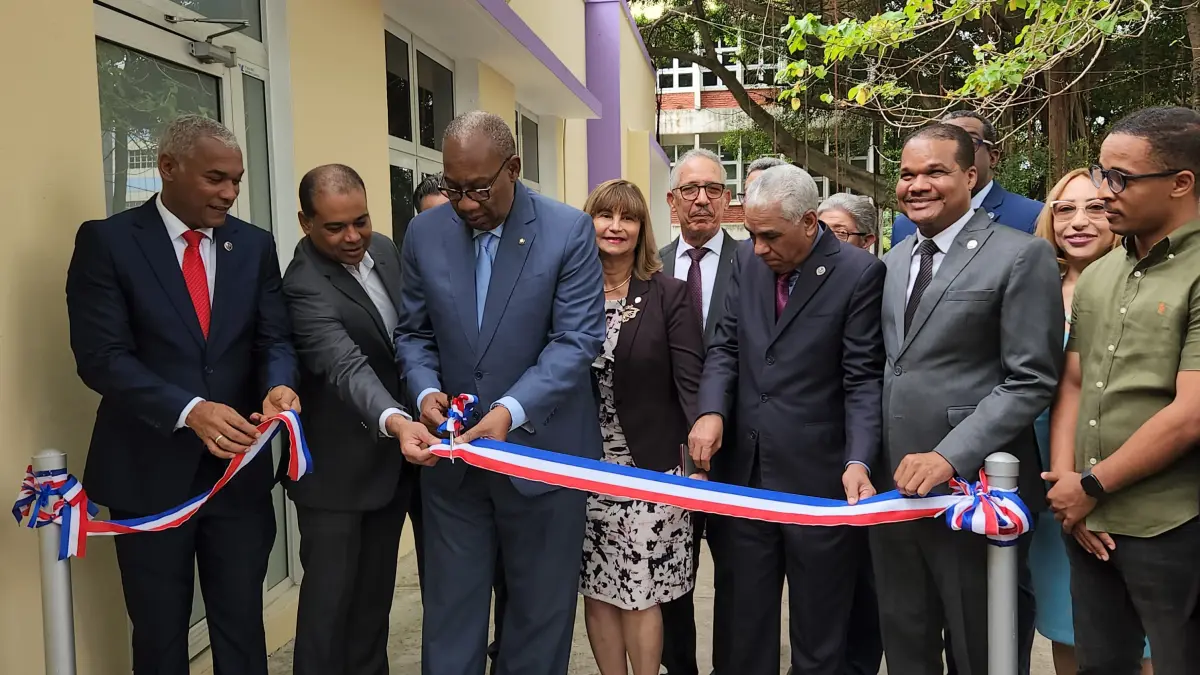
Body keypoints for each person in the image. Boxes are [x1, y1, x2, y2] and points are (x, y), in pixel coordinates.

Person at [65, 114, 299, 675]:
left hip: (236, 474)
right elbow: (101, 358)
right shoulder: (109, 242)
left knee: (242, 623)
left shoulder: (254, 245)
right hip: (148, 475)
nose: (230, 193)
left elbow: (275, 338)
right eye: (215, 178)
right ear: (167, 168)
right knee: (160, 632)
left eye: (237, 180)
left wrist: (279, 384)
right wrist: (190, 410)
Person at [393, 111, 605, 675]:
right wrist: (425, 391)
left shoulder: (567, 231)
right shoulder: (424, 233)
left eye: (479, 189)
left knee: (538, 622)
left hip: (544, 459)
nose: (464, 203)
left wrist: (511, 410)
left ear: (514, 168)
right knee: (450, 618)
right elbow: (413, 333)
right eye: (452, 188)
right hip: (454, 466)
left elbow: (576, 340)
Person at [875, 123, 1061, 675]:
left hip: (973, 489)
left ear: (971, 175)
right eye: (908, 174)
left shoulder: (1022, 255)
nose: (918, 185)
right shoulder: (893, 261)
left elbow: (1030, 379)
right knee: (905, 639)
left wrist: (948, 456)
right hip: (896, 488)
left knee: (981, 647)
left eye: (936, 171)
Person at [689, 164, 885, 675]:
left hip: (819, 484)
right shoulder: (747, 264)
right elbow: (725, 348)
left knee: (820, 634)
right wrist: (711, 410)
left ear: (809, 221)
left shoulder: (858, 273)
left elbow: (862, 378)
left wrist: (859, 459)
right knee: (740, 627)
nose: (758, 248)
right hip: (745, 477)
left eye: (771, 236)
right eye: (751, 234)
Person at [1047, 106, 1200, 675]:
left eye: (1120, 178)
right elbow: (1074, 383)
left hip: (1173, 520)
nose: (1102, 190)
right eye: (1100, 172)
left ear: (1181, 183)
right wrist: (1067, 488)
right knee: (1101, 663)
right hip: (1087, 519)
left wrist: (1091, 484)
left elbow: (1190, 414)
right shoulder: (1102, 273)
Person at [282, 164, 437, 675]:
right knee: (328, 612)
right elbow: (345, 365)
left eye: (362, 221)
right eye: (335, 227)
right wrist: (396, 420)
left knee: (373, 605)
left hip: (391, 468)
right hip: (336, 477)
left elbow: (410, 335)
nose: (354, 238)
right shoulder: (304, 283)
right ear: (306, 222)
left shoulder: (387, 250)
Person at [1026, 167, 1153, 675]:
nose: (1078, 221)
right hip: (1048, 486)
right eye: (1064, 208)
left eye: (1094, 207)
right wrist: (1063, 490)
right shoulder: (1029, 288)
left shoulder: (1146, 286)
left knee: (1144, 637)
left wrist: (1094, 486)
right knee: (1067, 624)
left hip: (1131, 482)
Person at [579, 178, 705, 675]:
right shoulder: (568, 293)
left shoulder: (668, 294)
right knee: (597, 589)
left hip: (649, 471)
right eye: (605, 215)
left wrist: (697, 463)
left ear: (642, 228)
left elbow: (692, 384)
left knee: (640, 592)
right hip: (582, 467)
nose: (615, 227)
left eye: (628, 218)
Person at [657, 148, 740, 675]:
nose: (702, 199)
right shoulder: (649, 266)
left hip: (737, 446)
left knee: (737, 578)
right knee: (672, 577)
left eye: (713, 189)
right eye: (690, 190)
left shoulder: (756, 263)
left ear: (728, 200)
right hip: (666, 448)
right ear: (672, 201)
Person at [889, 110, 1043, 246]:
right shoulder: (905, 224)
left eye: (969, 142)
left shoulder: (1033, 216)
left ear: (993, 157)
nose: (959, 151)